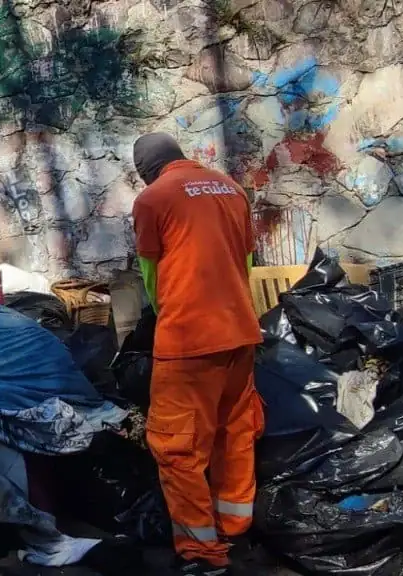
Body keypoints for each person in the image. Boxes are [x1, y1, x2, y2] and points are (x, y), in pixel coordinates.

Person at [131, 133, 264, 576]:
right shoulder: (231, 188)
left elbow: (152, 276)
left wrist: (161, 319)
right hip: (241, 331)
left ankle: (202, 552)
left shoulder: (153, 198)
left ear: (146, 171)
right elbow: (244, 262)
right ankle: (237, 524)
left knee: (177, 445)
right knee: (234, 429)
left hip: (188, 341)